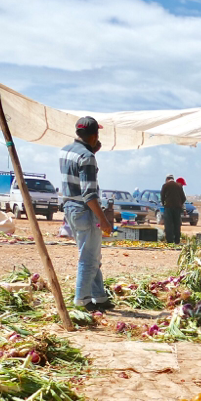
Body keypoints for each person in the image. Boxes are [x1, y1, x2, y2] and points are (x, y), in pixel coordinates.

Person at [59, 116, 114, 312]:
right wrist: (103, 219)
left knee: (91, 254)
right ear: (94, 135)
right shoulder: (87, 157)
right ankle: (82, 300)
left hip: (70, 208)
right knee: (89, 258)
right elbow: (89, 194)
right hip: (84, 210)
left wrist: (91, 150)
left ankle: (99, 297)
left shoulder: (66, 151)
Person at [160, 174, 186, 245]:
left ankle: (169, 240)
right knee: (177, 224)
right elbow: (183, 198)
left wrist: (164, 203)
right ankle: (177, 240)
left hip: (168, 207)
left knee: (169, 224)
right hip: (177, 208)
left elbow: (162, 196)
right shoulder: (179, 186)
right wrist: (179, 204)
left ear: (167, 179)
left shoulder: (165, 186)